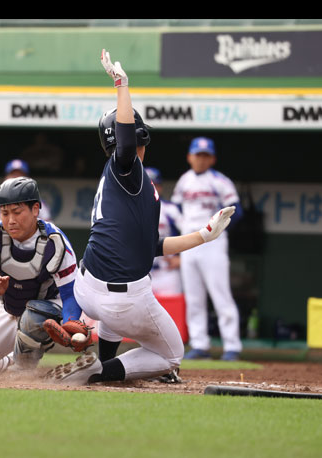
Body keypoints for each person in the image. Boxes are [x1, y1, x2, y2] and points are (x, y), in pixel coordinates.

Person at [45, 50, 236, 386]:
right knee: (170, 356)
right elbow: (126, 138)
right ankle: (100, 371)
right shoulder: (127, 170)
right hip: (121, 298)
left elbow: (152, 246)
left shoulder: (122, 180)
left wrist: (203, 236)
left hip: (89, 287)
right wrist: (122, 86)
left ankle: (101, 360)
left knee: (114, 318)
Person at [0, 176, 83, 376]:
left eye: (17, 212)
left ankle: (23, 369)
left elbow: (69, 293)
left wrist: (70, 320)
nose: (10, 220)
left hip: (47, 305)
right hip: (9, 305)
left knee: (33, 316)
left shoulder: (55, 242)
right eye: (4, 213)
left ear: (35, 209)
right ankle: (9, 364)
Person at [170, 136, 244, 361]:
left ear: (212, 159)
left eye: (205, 155)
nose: (200, 159)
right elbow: (175, 212)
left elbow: (237, 212)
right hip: (189, 243)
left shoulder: (220, 181)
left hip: (213, 244)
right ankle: (200, 344)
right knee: (194, 297)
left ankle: (232, 345)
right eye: (197, 155)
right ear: (189, 157)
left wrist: (220, 230)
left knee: (220, 293)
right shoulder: (184, 181)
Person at [146, 167, 184, 296]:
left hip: (167, 273)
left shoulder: (170, 209)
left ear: (160, 187)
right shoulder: (130, 210)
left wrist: (183, 258)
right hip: (141, 275)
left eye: (154, 184)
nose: (151, 188)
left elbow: (190, 233)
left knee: (172, 313)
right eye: (147, 184)